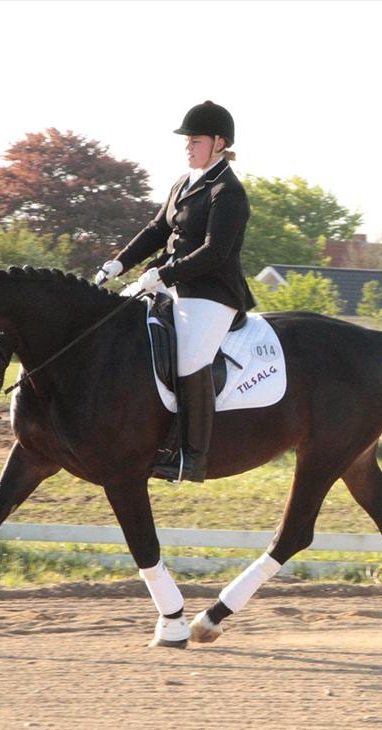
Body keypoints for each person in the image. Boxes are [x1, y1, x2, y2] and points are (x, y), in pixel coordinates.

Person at [95, 100, 254, 483]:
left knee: (189, 358)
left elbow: (214, 252)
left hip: (212, 293)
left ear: (219, 143)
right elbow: (155, 230)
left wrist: (165, 274)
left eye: (195, 140)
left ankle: (192, 456)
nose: (187, 146)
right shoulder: (184, 183)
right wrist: (119, 263)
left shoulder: (227, 192)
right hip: (171, 284)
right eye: (187, 141)